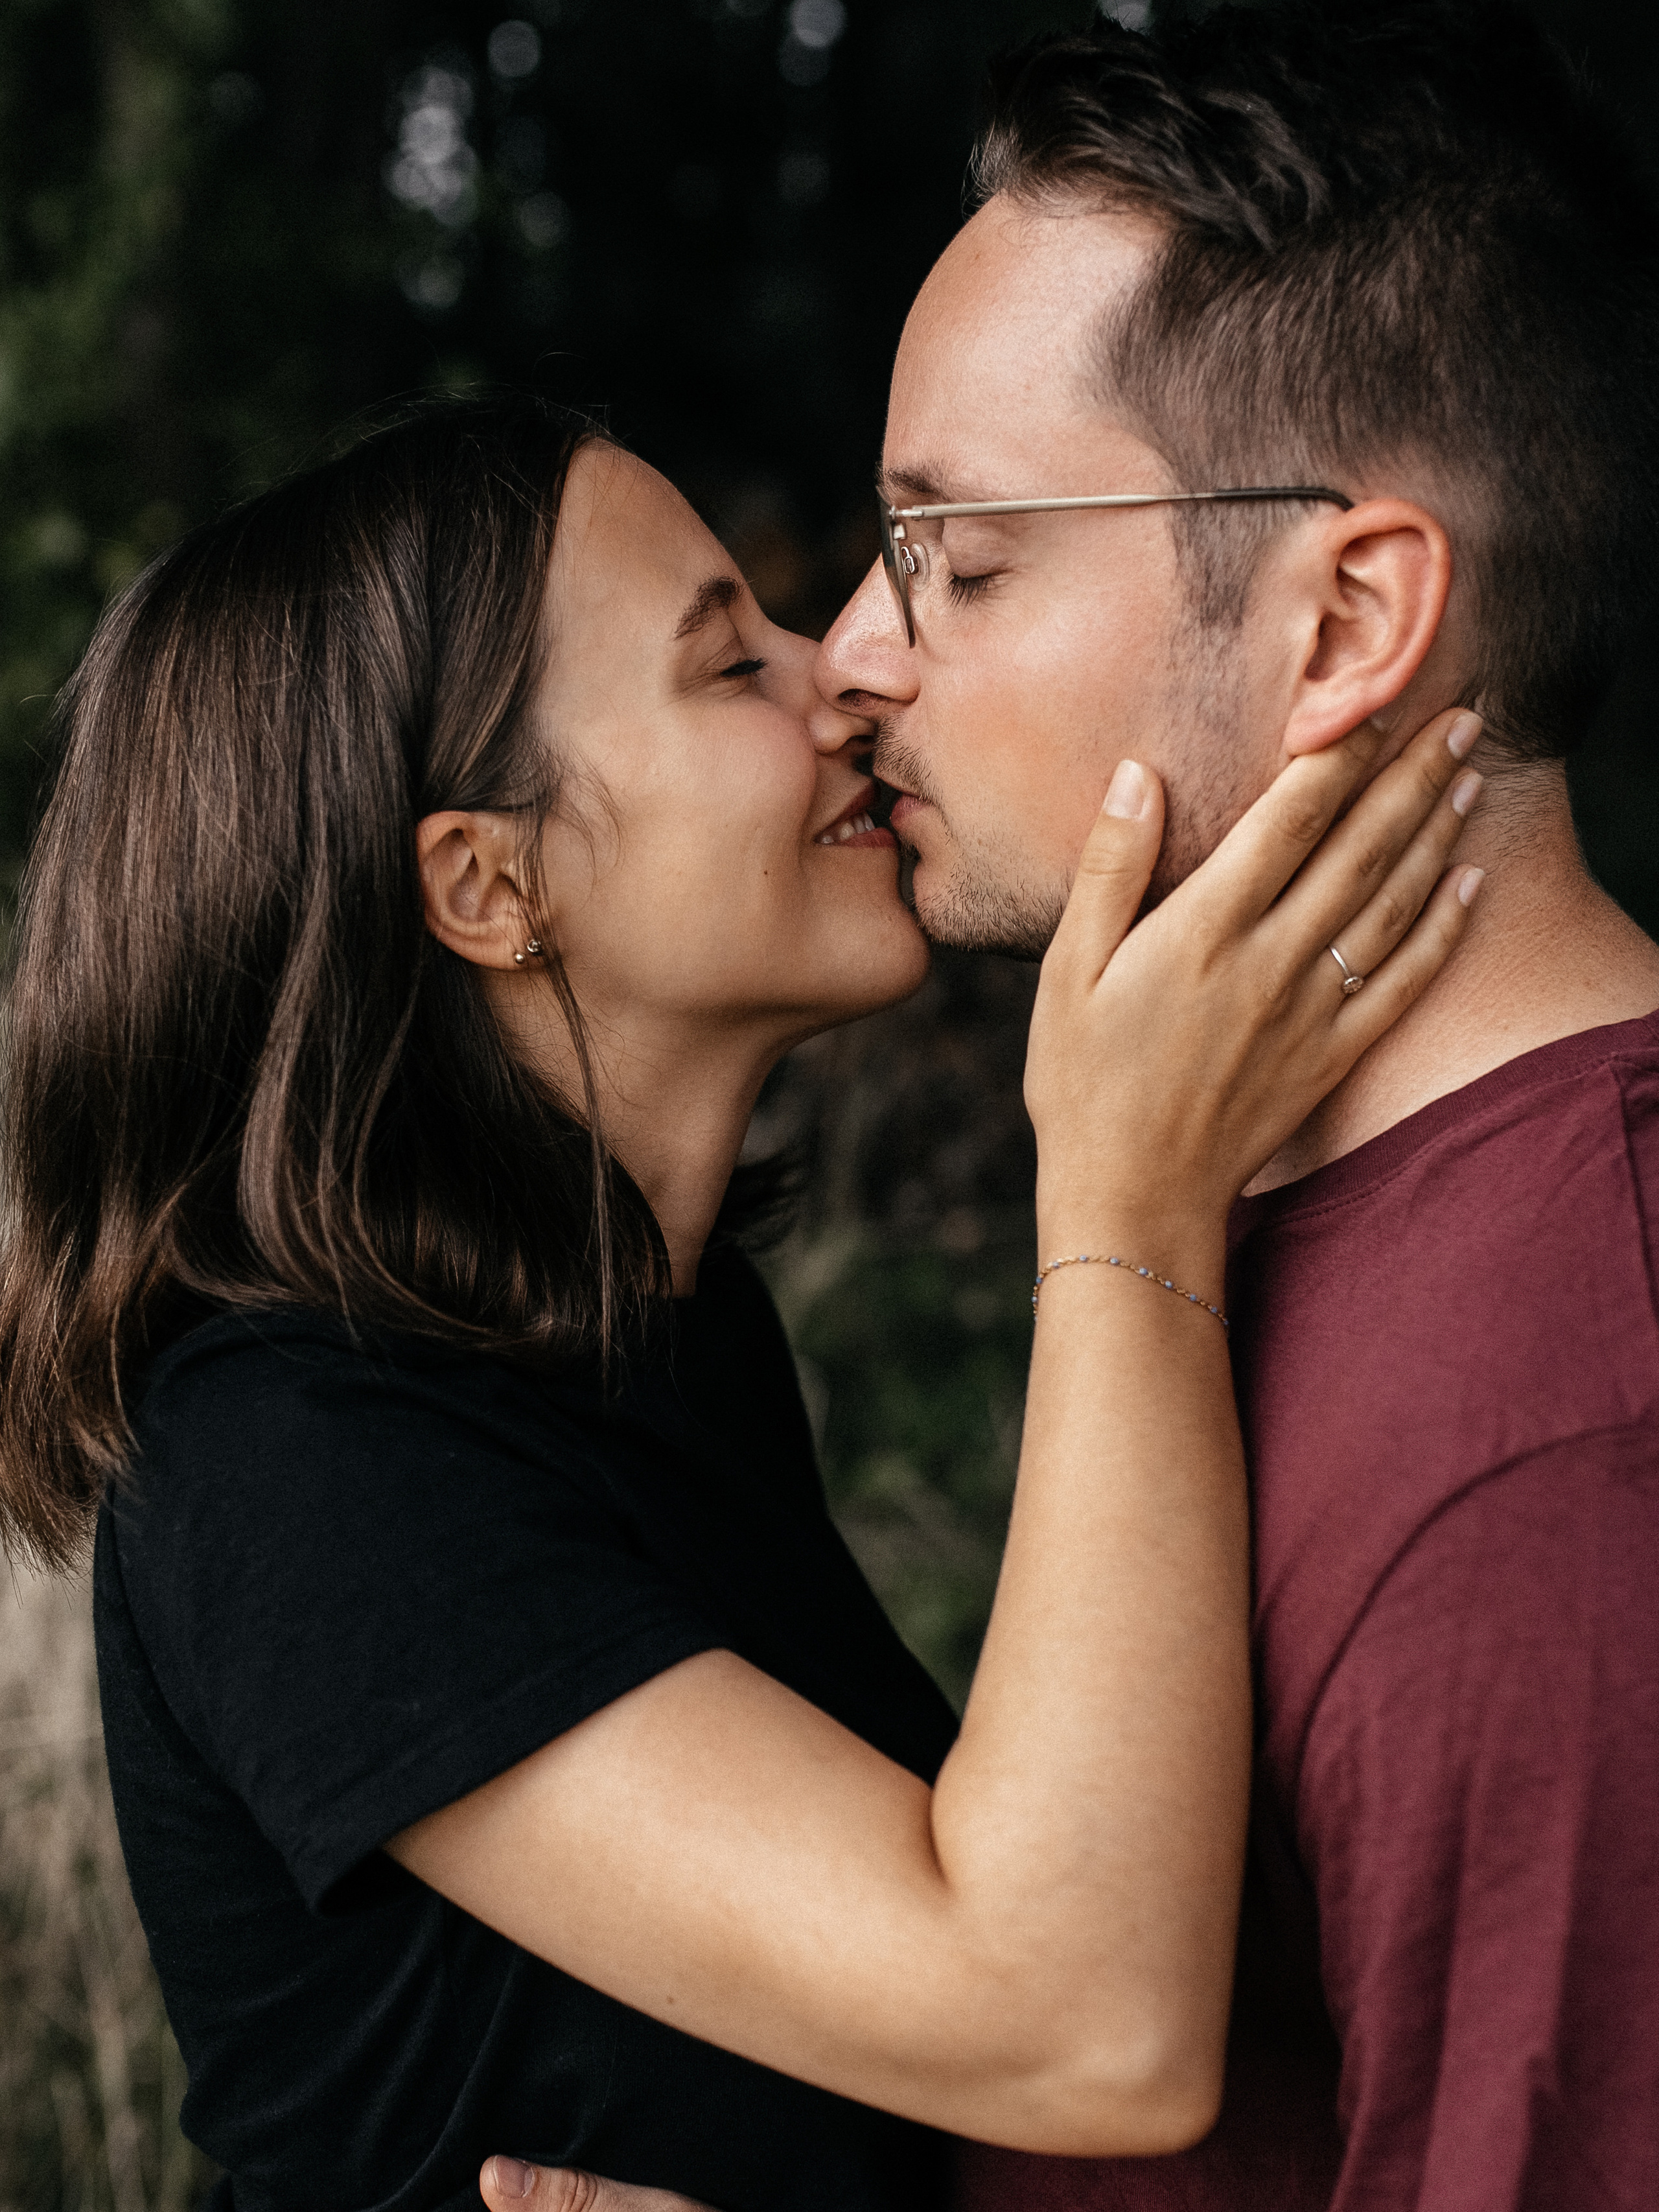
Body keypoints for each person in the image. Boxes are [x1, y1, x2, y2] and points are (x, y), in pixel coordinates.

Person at [0, 395, 1474, 2211]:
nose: (848, 669)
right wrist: (1122, 1199)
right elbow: (1076, 2019)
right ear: (491, 882)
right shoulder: (289, 1461)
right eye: (728, 663)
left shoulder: (667, 1346)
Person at [496, 1, 1659, 2207]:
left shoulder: (1571, 1432)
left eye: (962, 547)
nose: (853, 648)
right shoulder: (1258, 1213)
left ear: (1346, 622)